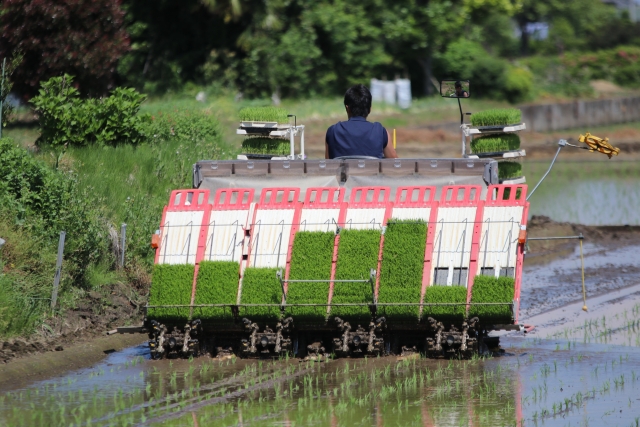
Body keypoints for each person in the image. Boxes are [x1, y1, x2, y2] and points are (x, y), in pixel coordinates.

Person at [325, 84, 398, 159]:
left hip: (342, 171)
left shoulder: (333, 131)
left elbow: (328, 164)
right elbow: (395, 163)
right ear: (369, 109)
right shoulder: (380, 131)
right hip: (372, 171)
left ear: (347, 108)